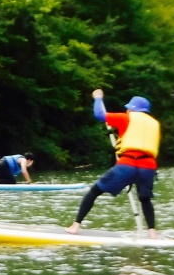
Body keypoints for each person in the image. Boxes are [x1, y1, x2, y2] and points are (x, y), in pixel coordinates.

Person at [67, 90, 160, 238]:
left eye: (129, 107)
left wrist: (98, 98)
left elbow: (99, 114)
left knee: (94, 191)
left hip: (127, 164)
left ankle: (75, 226)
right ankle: (152, 233)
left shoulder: (126, 118)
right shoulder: (154, 124)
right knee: (145, 198)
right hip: (148, 166)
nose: (127, 109)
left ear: (133, 109)